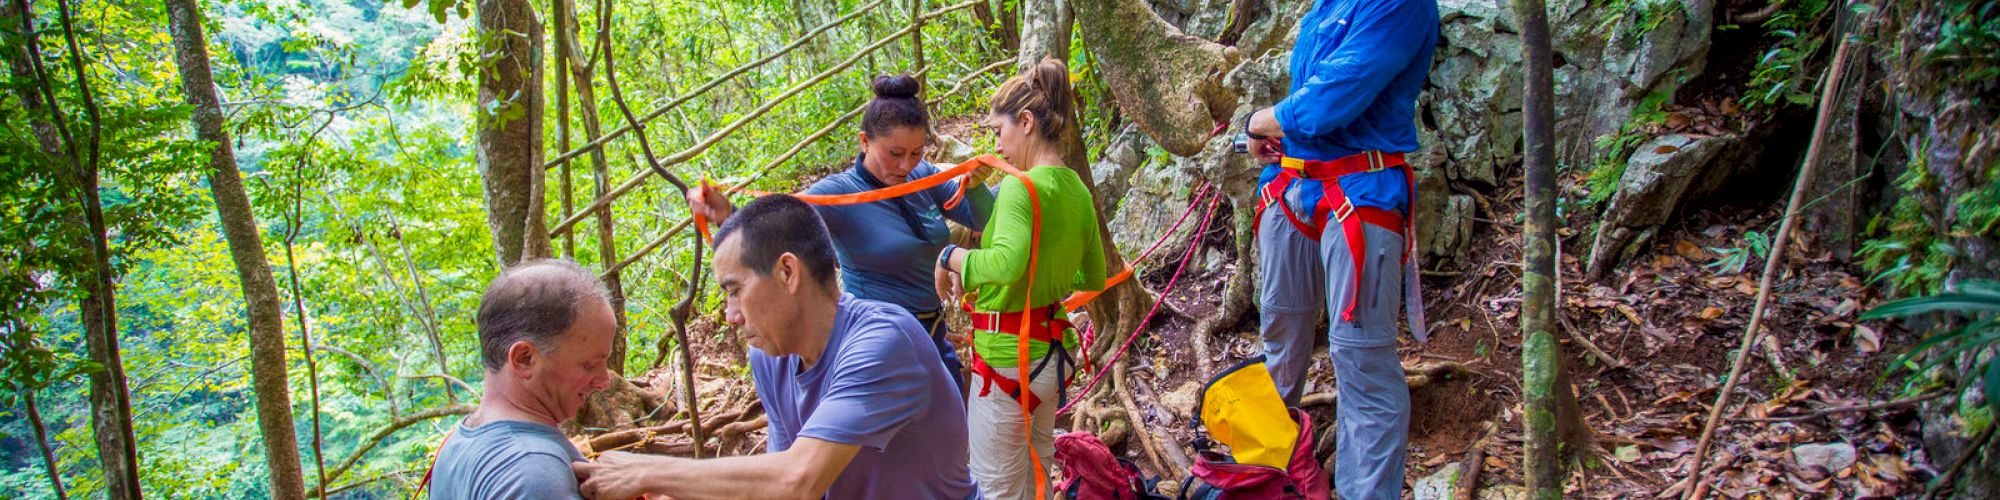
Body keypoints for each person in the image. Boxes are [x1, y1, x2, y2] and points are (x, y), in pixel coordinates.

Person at [573, 194, 976, 499]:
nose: (730, 315)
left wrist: (646, 472)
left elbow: (798, 478)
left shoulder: (885, 342)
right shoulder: (770, 356)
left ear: (787, 272)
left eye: (734, 291)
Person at [689, 74, 994, 396]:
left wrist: (974, 187)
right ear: (865, 142)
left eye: (916, 152)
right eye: (894, 152)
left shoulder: (922, 176)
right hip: (877, 340)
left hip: (932, 332)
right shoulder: (838, 194)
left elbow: (982, 217)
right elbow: (774, 228)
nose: (906, 164)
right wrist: (727, 214)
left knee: (951, 421)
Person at [1242, 0, 1439, 498]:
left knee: (1361, 360)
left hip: (1363, 195)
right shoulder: (1325, 6)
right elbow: (1310, 97)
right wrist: (1271, 137)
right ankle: (1263, 481)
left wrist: (1265, 119)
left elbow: (1336, 94)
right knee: (1280, 339)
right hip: (1294, 188)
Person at [933, 57, 1107, 500]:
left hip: (1009, 361)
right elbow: (1094, 275)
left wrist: (953, 257)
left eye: (998, 130)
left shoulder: (1019, 185)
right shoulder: (1076, 189)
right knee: (1036, 471)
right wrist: (974, 190)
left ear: (1025, 122)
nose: (997, 143)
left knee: (994, 485)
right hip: (1051, 357)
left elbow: (1008, 261)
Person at [430, 259, 617, 500]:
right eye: (589, 365)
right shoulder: (533, 472)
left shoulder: (458, 444)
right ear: (525, 358)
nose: (604, 381)